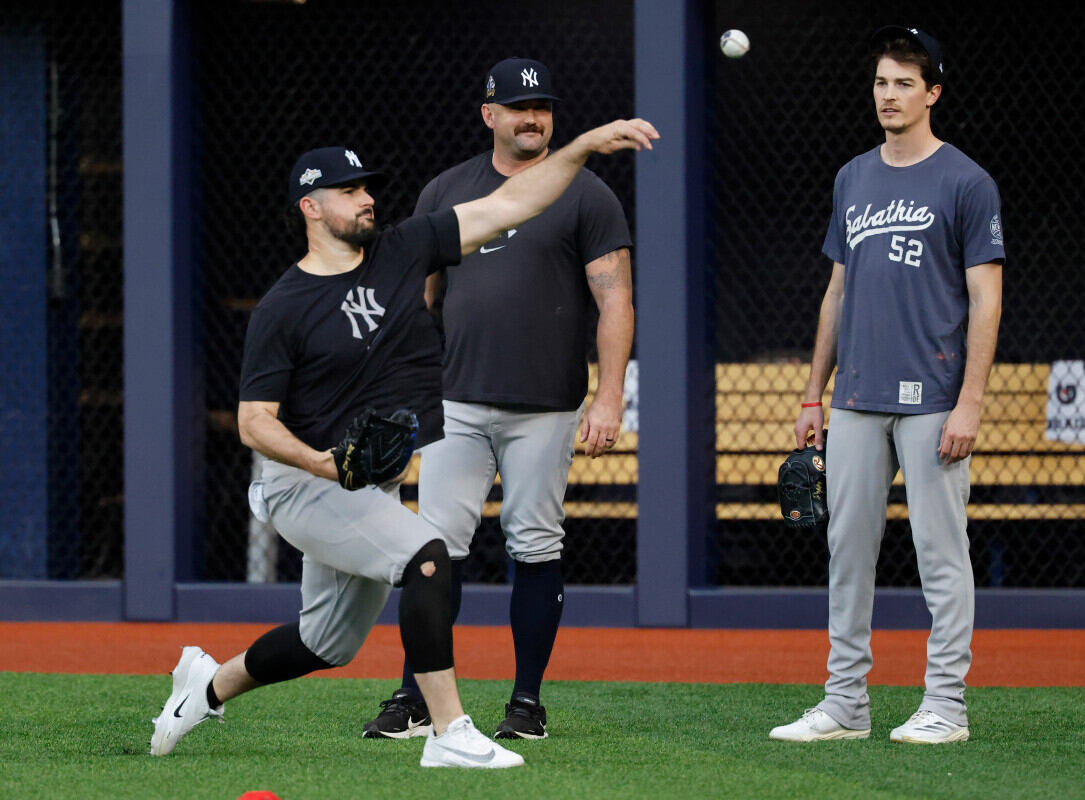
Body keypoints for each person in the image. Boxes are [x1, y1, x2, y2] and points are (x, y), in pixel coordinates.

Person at [149, 115, 658, 768]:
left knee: (325, 644)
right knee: (428, 556)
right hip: (305, 484)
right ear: (310, 207)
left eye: (367, 187)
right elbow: (255, 422)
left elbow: (512, 202)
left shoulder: (403, 250)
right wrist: (321, 464)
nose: (366, 198)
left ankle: (206, 686)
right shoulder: (284, 306)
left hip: (364, 485)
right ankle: (448, 732)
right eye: (348, 190)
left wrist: (582, 147)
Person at [362, 57, 634, 742]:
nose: (532, 118)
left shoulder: (587, 192)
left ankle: (527, 704)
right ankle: (415, 698)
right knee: (433, 548)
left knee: (536, 544)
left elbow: (615, 299)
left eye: (542, 106)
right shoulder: (448, 189)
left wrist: (609, 397)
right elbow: (420, 298)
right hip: (456, 399)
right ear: (490, 115)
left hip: (547, 404)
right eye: (518, 107)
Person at [769, 26, 1004, 745]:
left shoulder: (966, 181)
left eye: (905, 83)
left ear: (933, 93)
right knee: (847, 552)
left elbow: (987, 299)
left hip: (933, 399)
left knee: (941, 555)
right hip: (856, 398)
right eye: (881, 82)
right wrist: (813, 394)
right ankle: (845, 703)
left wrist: (970, 403)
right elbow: (836, 292)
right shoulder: (853, 178)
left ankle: (946, 707)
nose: (890, 95)